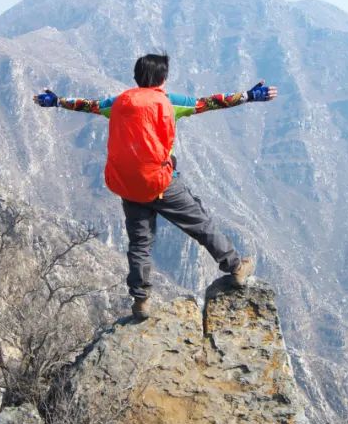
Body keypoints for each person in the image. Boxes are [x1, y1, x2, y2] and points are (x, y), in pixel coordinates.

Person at [34, 53, 278, 320]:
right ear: (163, 78)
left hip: (128, 184)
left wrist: (56, 101)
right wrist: (248, 96)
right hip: (160, 182)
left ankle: (141, 300)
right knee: (200, 223)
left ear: (136, 77)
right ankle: (235, 267)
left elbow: (87, 105)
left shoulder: (118, 103)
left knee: (140, 242)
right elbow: (209, 102)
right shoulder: (168, 102)